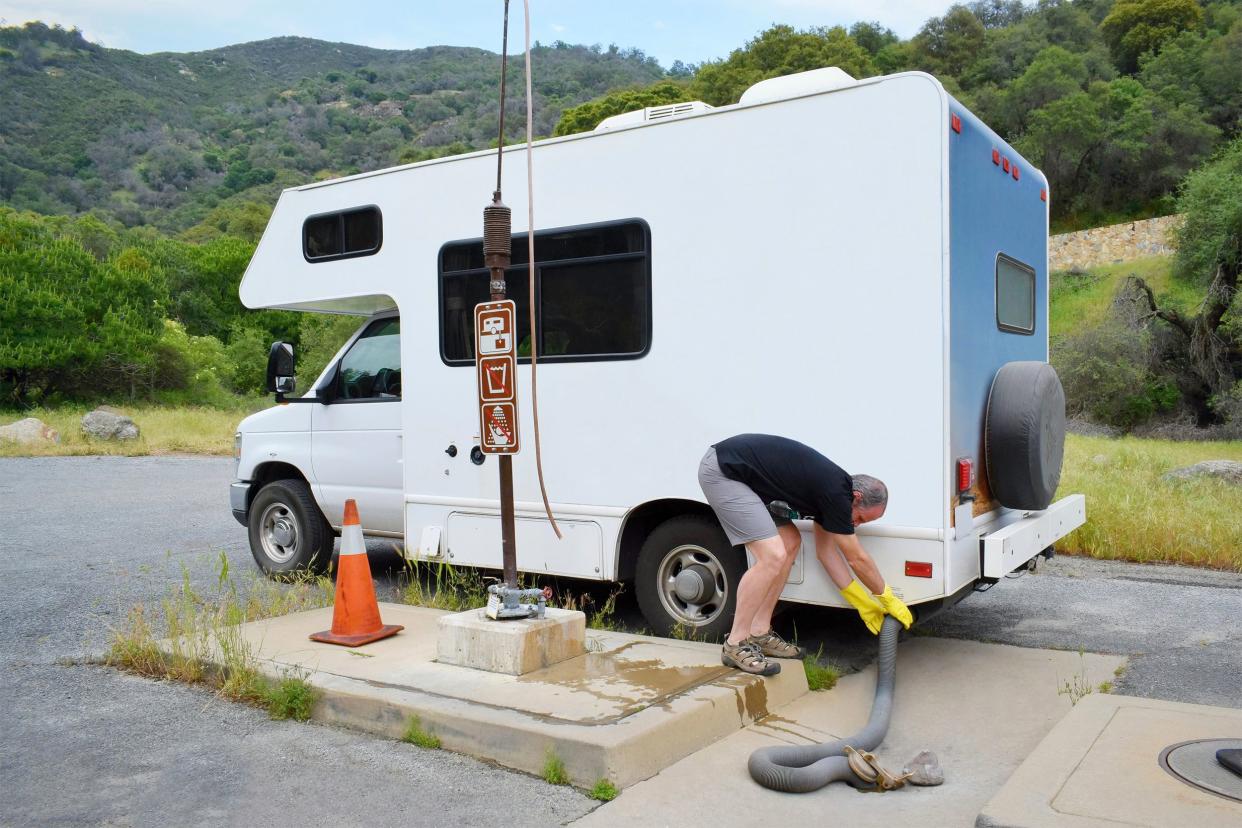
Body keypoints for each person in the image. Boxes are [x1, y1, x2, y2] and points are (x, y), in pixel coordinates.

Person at [698, 433, 914, 676]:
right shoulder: (835, 493)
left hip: (746, 478)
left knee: (790, 543)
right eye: (861, 518)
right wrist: (887, 598)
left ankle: (759, 632)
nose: (857, 525)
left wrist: (861, 603)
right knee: (772, 555)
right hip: (723, 471)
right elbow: (857, 558)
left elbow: (826, 553)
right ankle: (735, 643)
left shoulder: (831, 497)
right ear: (856, 498)